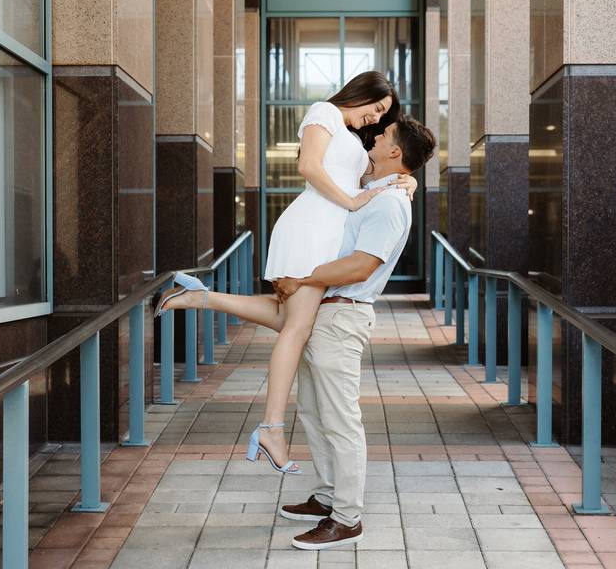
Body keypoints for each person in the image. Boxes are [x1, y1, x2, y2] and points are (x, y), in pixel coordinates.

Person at [161, 115, 436, 550]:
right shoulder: (380, 191)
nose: (374, 135)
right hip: (326, 311)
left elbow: (363, 264)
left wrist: (306, 278)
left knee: (340, 420)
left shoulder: (389, 202)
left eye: (381, 135)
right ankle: (329, 497)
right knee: (315, 412)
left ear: (394, 152)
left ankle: (347, 518)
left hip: (342, 317)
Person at [153, 71, 417, 473]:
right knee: (297, 328)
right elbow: (309, 167)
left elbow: (371, 178)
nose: (376, 120)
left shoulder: (351, 138)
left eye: (383, 116)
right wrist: (352, 200)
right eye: (376, 108)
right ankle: (272, 428)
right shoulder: (323, 111)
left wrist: (405, 181)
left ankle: (197, 297)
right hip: (312, 225)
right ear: (361, 93)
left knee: (288, 317)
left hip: (328, 229)